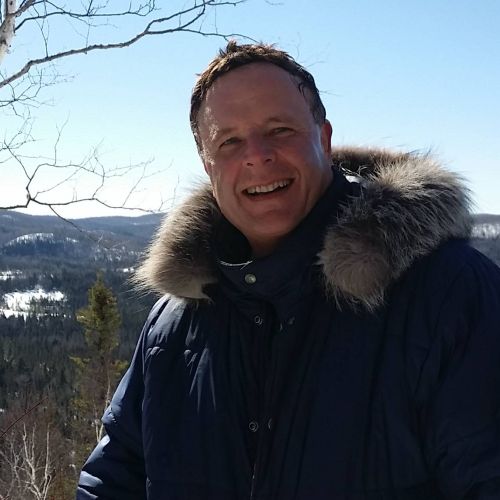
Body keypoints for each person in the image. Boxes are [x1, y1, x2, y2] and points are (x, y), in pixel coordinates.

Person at [77, 42, 500, 499]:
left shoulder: (448, 293)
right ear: (207, 164)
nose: (257, 156)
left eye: (279, 130)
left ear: (324, 139)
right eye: (229, 141)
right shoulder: (174, 325)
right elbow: (113, 478)